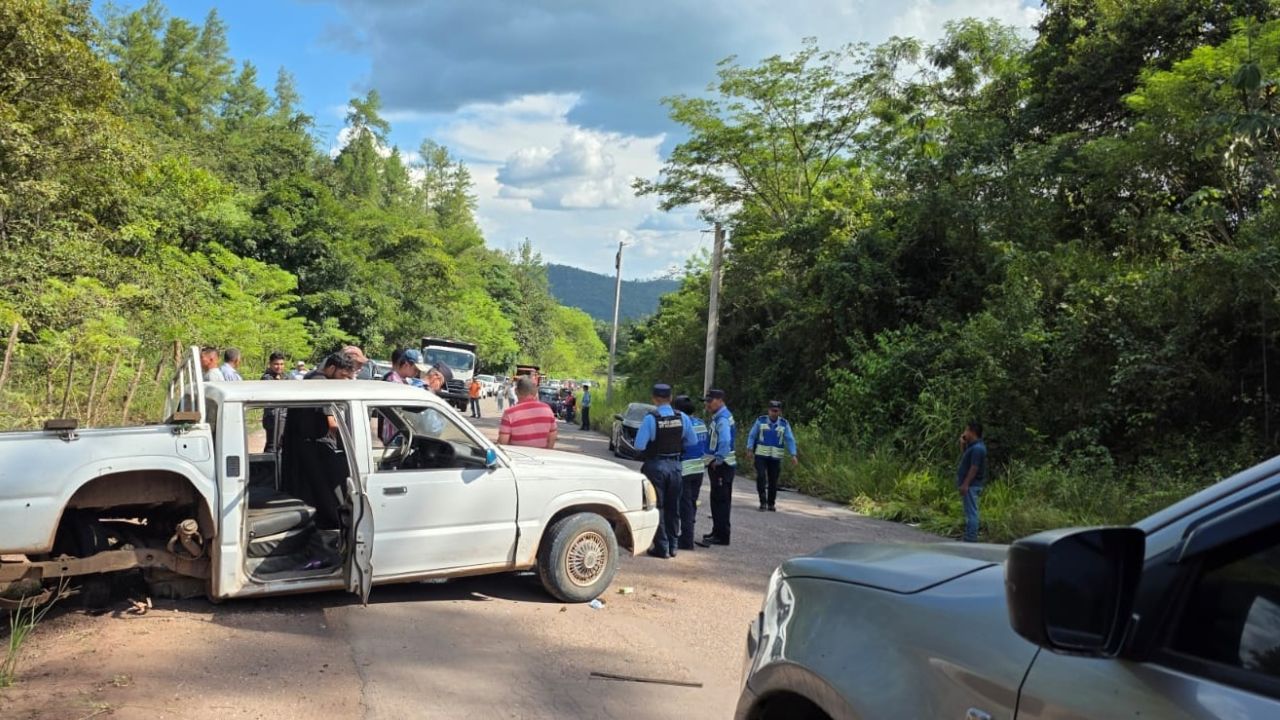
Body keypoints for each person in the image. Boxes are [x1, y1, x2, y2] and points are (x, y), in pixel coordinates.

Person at [282, 352, 359, 529]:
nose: (342, 381)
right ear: (331, 368)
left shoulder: (311, 378)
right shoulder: (321, 384)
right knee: (332, 483)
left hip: (299, 443)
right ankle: (336, 523)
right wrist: (353, 444)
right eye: (341, 375)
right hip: (311, 445)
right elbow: (332, 424)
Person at [634, 384, 699, 559]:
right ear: (671, 398)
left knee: (658, 507)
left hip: (656, 466)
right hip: (676, 466)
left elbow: (639, 445)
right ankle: (673, 545)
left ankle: (661, 547)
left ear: (654, 399)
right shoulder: (682, 417)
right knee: (674, 506)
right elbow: (692, 441)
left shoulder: (650, 419)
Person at [745, 400, 799, 512]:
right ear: (768, 411)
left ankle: (771, 503)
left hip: (775, 457)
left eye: (776, 411)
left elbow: (790, 439)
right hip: (761, 455)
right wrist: (749, 449)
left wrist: (793, 454)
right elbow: (752, 435)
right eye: (772, 410)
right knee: (761, 477)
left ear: (780, 411)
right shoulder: (761, 421)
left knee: (773, 480)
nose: (774, 413)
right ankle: (762, 501)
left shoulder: (784, 424)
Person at [701, 389, 737, 547]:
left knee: (721, 501)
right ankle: (717, 531)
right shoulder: (720, 416)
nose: (707, 404)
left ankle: (721, 535)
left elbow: (725, 441)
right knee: (717, 500)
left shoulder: (722, 418)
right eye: (707, 401)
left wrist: (719, 459)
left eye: (710, 401)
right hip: (721, 466)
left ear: (720, 400)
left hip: (723, 466)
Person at [673, 395, 709, 552]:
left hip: (686, 469)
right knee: (692, 504)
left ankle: (686, 539)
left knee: (684, 505)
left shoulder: (682, 425)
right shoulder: (701, 424)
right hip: (699, 469)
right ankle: (689, 533)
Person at [498, 376, 558, 448]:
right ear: (535, 392)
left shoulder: (509, 413)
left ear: (516, 391)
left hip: (517, 457)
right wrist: (547, 452)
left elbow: (503, 442)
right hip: (541, 457)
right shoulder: (547, 409)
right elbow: (553, 436)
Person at [957, 421, 988, 543]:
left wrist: (965, 484)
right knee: (969, 511)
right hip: (971, 485)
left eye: (966, 430)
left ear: (972, 432)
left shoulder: (978, 449)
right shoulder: (973, 447)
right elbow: (966, 458)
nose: (964, 433)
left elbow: (974, 467)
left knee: (972, 512)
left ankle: (971, 538)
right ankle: (969, 535)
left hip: (972, 485)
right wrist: (962, 444)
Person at [260, 351, 288, 452]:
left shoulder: (285, 376)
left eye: (281, 364)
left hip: (283, 415)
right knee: (273, 446)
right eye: (276, 364)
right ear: (270, 364)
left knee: (281, 445)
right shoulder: (266, 378)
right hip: (273, 416)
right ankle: (268, 467)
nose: (279, 367)